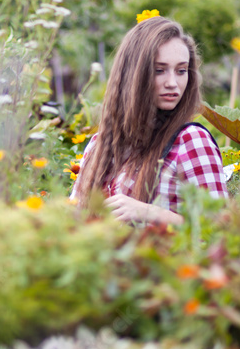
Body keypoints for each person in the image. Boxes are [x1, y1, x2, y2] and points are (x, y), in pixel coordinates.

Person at [71, 16, 227, 225]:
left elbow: (220, 229)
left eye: (181, 71)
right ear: (133, 74)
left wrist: (151, 213)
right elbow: (73, 221)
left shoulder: (190, 141)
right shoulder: (99, 146)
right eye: (159, 70)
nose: (173, 83)